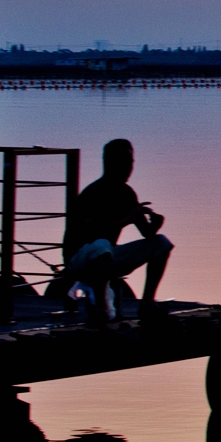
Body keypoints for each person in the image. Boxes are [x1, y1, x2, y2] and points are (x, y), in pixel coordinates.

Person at [58, 138, 173, 324]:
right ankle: (102, 308)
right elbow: (91, 235)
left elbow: (146, 233)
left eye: (131, 163)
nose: (129, 168)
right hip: (79, 258)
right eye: (124, 162)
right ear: (109, 163)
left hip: (106, 256)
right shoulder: (93, 193)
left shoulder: (127, 193)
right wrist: (128, 218)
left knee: (161, 243)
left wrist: (155, 225)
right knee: (101, 245)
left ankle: (147, 303)